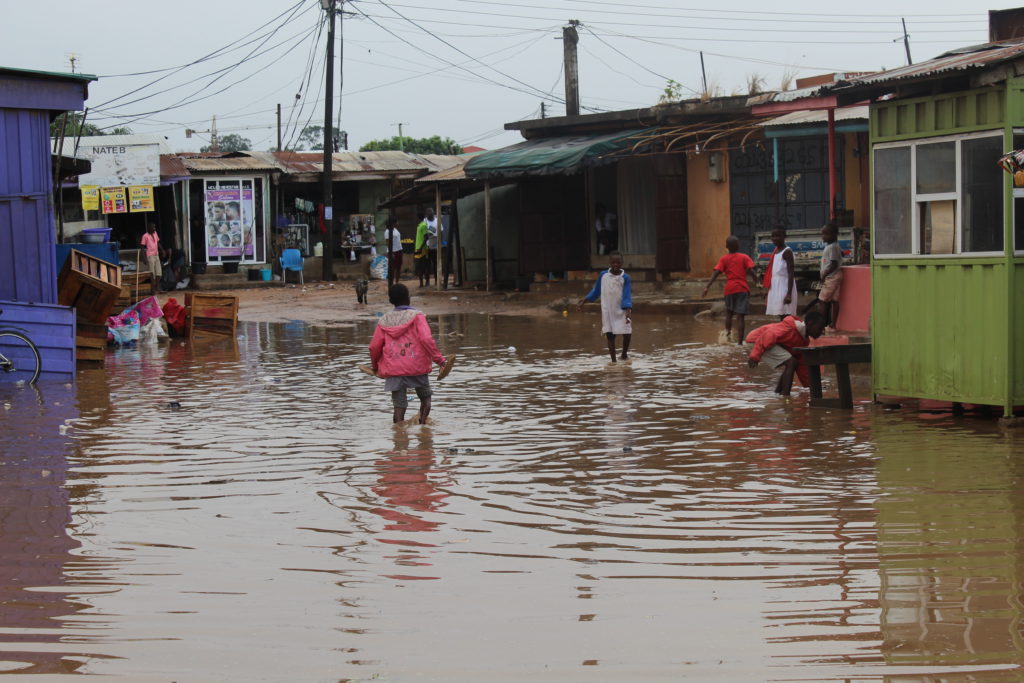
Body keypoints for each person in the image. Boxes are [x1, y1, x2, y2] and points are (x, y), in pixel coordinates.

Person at [369, 284, 447, 424]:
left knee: (399, 406)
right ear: (408, 298)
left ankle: (399, 440)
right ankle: (423, 428)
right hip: (417, 367)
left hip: (393, 369)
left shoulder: (384, 320)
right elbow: (426, 339)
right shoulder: (417, 317)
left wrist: (375, 366)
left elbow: (374, 347)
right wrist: (440, 361)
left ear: (391, 301)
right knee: (426, 399)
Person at [746, 311, 826, 396]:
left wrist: (811, 385)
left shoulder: (804, 340)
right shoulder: (790, 328)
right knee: (791, 362)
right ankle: (786, 397)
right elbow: (768, 335)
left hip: (766, 342)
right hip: (757, 340)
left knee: (792, 362)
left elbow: (801, 363)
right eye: (820, 328)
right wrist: (755, 355)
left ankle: (778, 393)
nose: (822, 332)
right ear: (810, 324)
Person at [577, 251, 633, 363]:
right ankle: (613, 361)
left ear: (622, 263)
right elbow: (596, 291)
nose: (616, 265)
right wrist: (585, 300)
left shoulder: (625, 277)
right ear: (610, 263)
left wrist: (628, 309)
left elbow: (627, 294)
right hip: (608, 310)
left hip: (622, 310)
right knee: (610, 334)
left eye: (618, 262)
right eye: (613, 262)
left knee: (627, 332)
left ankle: (624, 354)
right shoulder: (603, 275)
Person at [702, 235, 756, 344]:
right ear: (738, 245)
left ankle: (727, 338)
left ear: (727, 247)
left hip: (730, 289)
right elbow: (751, 272)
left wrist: (707, 287)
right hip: (742, 289)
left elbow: (715, 273)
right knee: (740, 317)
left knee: (729, 315)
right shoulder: (744, 257)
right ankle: (740, 343)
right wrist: (758, 282)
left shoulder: (724, 259)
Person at [764, 227, 798, 319]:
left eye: (778, 236)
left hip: (784, 286)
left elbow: (791, 273)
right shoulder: (775, 251)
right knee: (781, 314)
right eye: (773, 236)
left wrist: (789, 294)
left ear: (784, 236)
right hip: (776, 286)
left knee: (786, 314)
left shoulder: (787, 252)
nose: (775, 238)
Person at [817, 223, 843, 332]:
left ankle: (821, 326)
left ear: (834, 234)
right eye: (823, 234)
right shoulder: (834, 246)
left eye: (826, 234)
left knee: (823, 300)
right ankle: (832, 325)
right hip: (836, 276)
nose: (823, 236)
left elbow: (833, 263)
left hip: (831, 277)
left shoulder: (832, 247)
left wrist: (824, 274)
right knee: (834, 300)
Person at [140, 223, 167, 292]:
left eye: (155, 227)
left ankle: (157, 287)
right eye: (153, 227)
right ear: (149, 228)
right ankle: (153, 289)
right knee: (152, 273)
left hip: (156, 255)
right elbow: (142, 248)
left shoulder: (155, 233)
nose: (154, 228)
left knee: (159, 273)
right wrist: (144, 258)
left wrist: (162, 250)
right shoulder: (145, 236)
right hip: (150, 255)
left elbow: (158, 243)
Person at [384, 217, 403, 287]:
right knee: (392, 268)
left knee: (398, 267)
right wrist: (391, 252)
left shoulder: (395, 230)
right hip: (393, 251)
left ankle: (397, 282)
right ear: (393, 223)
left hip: (399, 250)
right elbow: (387, 242)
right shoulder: (387, 231)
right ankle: (391, 283)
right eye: (396, 222)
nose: (398, 223)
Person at [414, 213, 431, 288]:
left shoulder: (423, 225)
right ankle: (421, 283)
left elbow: (426, 237)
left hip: (423, 249)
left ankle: (427, 282)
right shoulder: (419, 225)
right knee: (418, 266)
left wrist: (421, 248)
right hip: (418, 248)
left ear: (418, 218)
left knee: (424, 266)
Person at [425, 208, 439, 284]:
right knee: (427, 264)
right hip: (427, 246)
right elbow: (424, 233)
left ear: (433, 214)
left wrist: (440, 244)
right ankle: (427, 281)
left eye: (430, 215)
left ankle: (437, 280)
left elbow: (441, 231)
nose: (429, 217)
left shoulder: (437, 221)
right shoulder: (425, 221)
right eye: (428, 216)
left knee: (435, 264)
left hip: (436, 245)